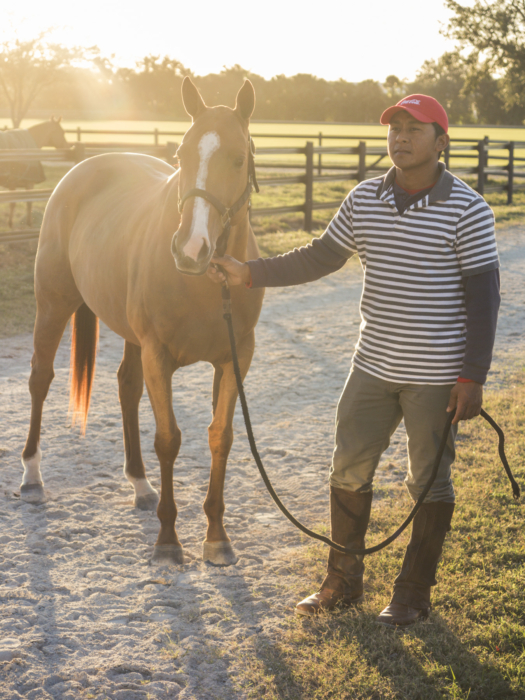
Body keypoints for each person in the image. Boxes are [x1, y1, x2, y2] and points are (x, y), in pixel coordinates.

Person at [207, 95, 500, 627]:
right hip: (371, 366)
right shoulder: (365, 198)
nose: (402, 137)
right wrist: (248, 272)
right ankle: (342, 582)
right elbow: (320, 255)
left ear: (441, 141)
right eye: (396, 128)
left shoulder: (469, 210)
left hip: (435, 375)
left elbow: (484, 300)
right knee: (347, 469)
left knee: (428, 482)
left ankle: (412, 593)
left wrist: (471, 377)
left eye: (416, 129)